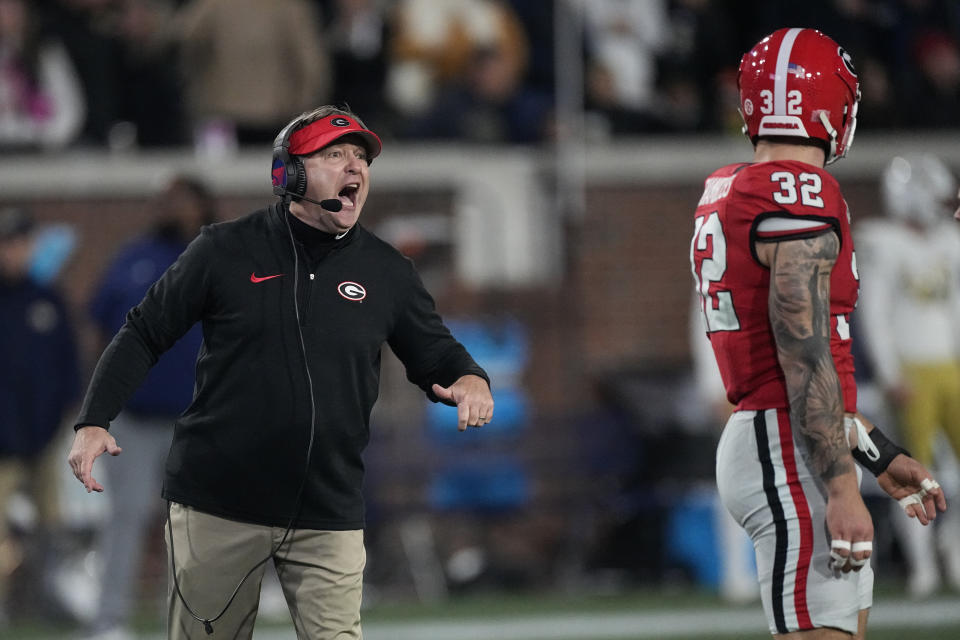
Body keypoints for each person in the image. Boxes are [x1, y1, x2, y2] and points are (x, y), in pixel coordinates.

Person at [68, 105, 493, 640]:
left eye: (360, 158)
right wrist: (94, 419)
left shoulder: (388, 271)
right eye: (334, 155)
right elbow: (142, 332)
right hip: (220, 505)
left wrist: (471, 378)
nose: (354, 168)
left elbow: (439, 354)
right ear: (288, 174)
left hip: (329, 506)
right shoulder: (222, 250)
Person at [689, 28, 946, 638]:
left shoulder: (730, 187)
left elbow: (804, 354)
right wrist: (840, 485)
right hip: (790, 447)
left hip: (786, 432)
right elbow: (800, 350)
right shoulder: (796, 190)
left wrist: (875, 453)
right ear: (833, 107)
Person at [81, 176, 216, 640]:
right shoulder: (133, 258)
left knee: (194, 526)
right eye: (168, 200)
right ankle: (110, 619)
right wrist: (98, 406)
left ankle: (187, 621)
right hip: (135, 420)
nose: (174, 208)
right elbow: (100, 330)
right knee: (129, 517)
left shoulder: (216, 257)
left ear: (202, 206)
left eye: (184, 200)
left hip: (198, 421)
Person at [856, 154, 960, 598]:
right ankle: (924, 568)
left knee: (953, 473)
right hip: (912, 372)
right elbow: (874, 315)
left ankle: (954, 557)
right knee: (914, 473)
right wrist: (891, 371)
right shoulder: (884, 242)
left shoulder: (950, 242)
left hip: (949, 367)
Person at [0, 206, 80, 626]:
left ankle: (46, 598)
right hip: (1, 444)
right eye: (5, 244)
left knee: (53, 526)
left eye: (18, 243)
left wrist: (64, 418)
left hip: (44, 437)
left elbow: (68, 365)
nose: (10, 252)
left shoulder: (48, 298)